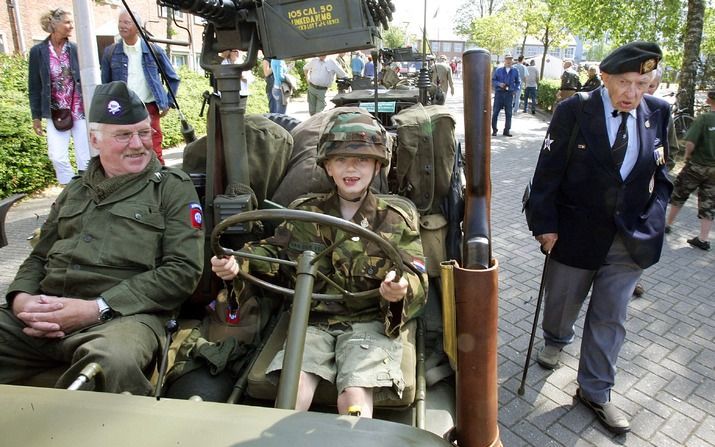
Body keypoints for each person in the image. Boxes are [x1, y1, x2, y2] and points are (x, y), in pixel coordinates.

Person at [211, 111, 428, 418]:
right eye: (340, 160)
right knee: (294, 387)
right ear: (327, 165)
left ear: (378, 165)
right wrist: (239, 264)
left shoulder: (394, 219)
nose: (350, 168)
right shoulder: (305, 213)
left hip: (371, 323)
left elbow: (415, 272)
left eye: (362, 160)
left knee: (354, 395)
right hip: (312, 322)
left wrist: (401, 290)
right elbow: (274, 255)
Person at [0, 81, 204, 394]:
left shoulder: (171, 188)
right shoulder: (75, 189)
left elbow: (183, 271)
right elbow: (39, 257)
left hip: (123, 318)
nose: (138, 144)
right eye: (124, 135)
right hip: (46, 312)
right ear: (95, 140)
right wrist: (21, 299)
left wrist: (96, 308)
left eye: (144, 132)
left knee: (113, 362)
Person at [528, 42, 672, 434]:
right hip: (575, 231)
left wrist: (655, 220)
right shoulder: (574, 110)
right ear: (604, 77)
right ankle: (556, 337)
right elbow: (547, 173)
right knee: (562, 300)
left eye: (642, 83)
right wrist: (545, 224)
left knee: (611, 315)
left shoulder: (659, 112)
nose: (632, 92)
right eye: (624, 82)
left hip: (629, 237)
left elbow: (664, 173)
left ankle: (595, 390)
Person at [100, 10, 180, 165]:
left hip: (149, 108)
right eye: (120, 22)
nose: (122, 26)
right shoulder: (111, 52)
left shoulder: (153, 50)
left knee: (154, 148)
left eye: (127, 22)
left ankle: (159, 182)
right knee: (126, 149)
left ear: (138, 27)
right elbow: (106, 86)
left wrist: (167, 102)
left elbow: (173, 78)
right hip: (123, 110)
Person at [28, 8, 91, 185]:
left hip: (79, 109)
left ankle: (87, 191)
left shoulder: (76, 49)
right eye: (68, 22)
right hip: (55, 111)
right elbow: (34, 86)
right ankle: (71, 189)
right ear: (54, 24)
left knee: (85, 157)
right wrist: (36, 117)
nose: (72, 26)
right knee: (57, 157)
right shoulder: (38, 52)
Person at [664, 90, 715, 251]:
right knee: (709, 203)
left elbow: (691, 142)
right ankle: (703, 238)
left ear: (709, 100)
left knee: (679, 194)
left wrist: (687, 157)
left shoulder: (704, 119)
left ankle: (667, 224)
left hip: (697, 165)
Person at [491, 54, 520, 137]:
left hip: (509, 94)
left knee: (509, 113)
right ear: (504, 60)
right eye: (507, 59)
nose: (509, 61)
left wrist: (515, 90)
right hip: (499, 94)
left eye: (510, 59)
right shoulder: (498, 70)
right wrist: (499, 84)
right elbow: (493, 80)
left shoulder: (515, 71)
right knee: (495, 113)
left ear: (512, 61)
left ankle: (506, 131)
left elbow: (518, 82)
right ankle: (494, 130)